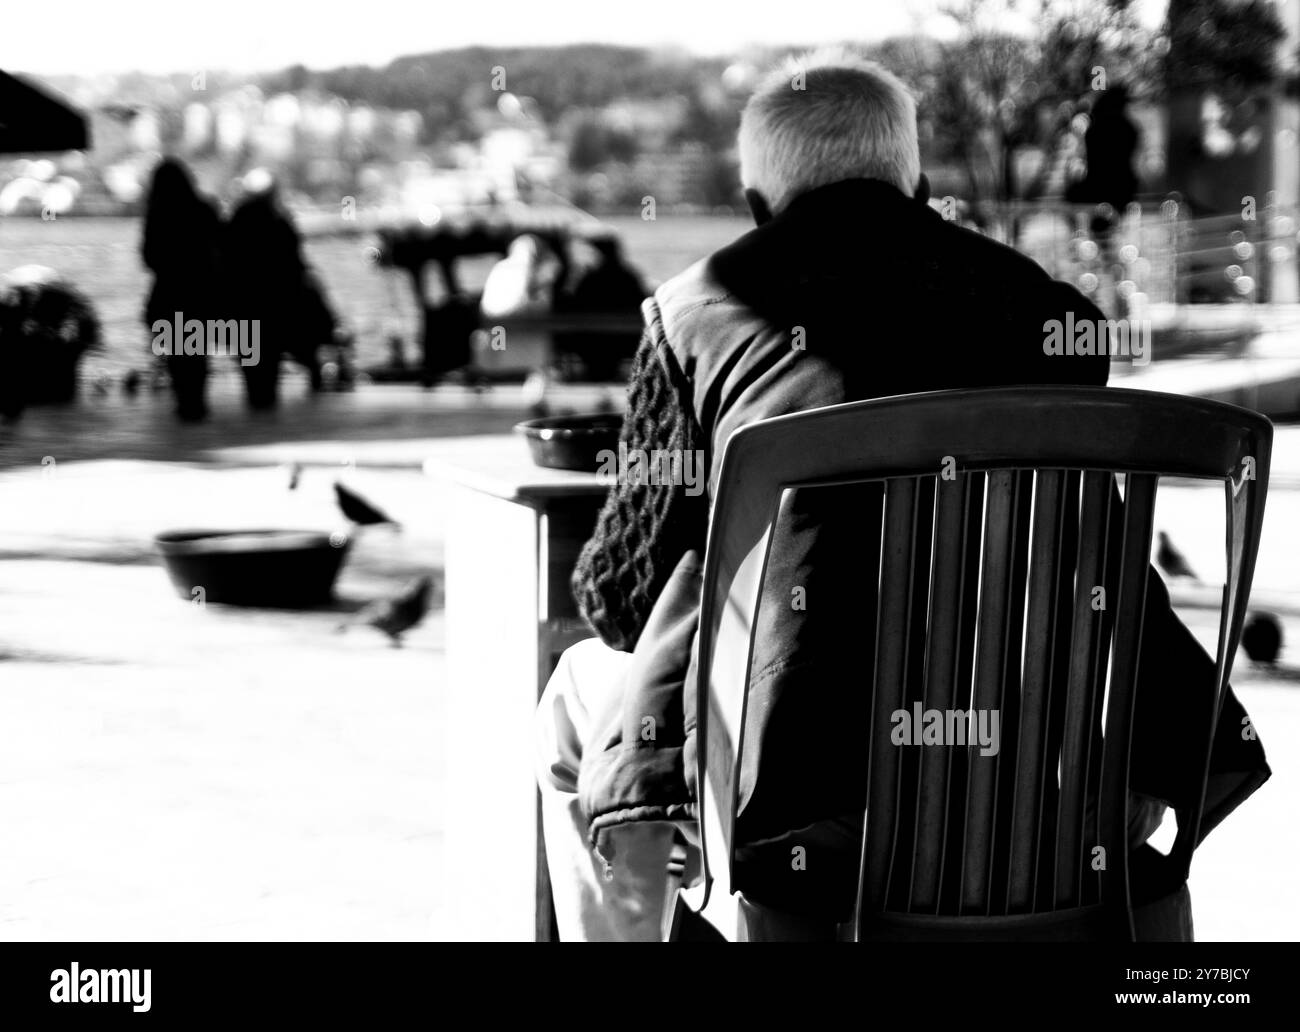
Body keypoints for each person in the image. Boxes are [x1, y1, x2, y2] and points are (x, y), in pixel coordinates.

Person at [534, 49, 1270, 941]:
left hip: (802, 805)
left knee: (577, 693)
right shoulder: (1051, 313)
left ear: (759, 206)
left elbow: (625, 606)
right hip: (1058, 787)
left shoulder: (691, 317)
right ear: (918, 185)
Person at [223, 171, 336, 409]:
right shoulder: (279, 220)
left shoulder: (237, 220)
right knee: (273, 355)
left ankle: (259, 403)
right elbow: (294, 262)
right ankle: (273, 399)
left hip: (246, 304)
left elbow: (228, 262)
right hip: (277, 304)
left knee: (252, 360)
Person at [141, 158, 221, 421]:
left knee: (177, 352)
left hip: (169, 292)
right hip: (201, 291)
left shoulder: (157, 214)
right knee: (197, 350)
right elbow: (223, 248)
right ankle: (197, 400)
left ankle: (185, 401)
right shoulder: (205, 208)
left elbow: (149, 257)